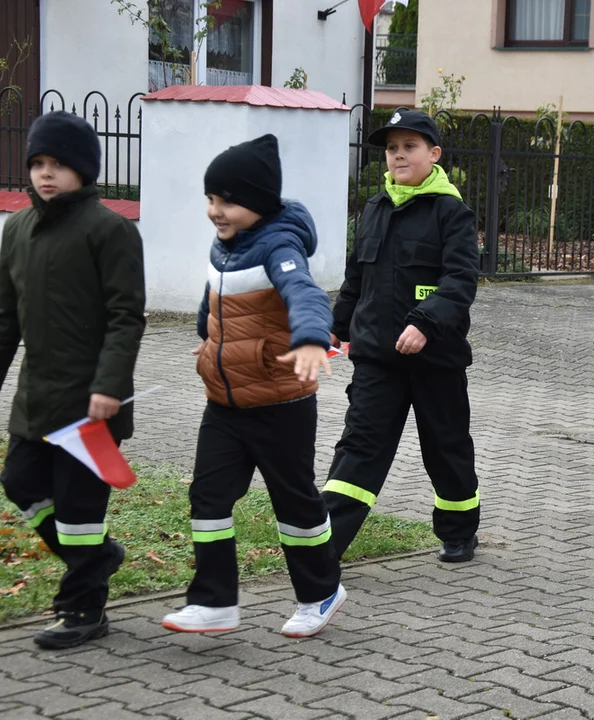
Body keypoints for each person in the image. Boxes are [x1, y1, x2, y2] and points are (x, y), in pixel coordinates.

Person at [162, 134, 345, 638]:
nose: (214, 210)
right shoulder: (225, 246)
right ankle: (215, 601)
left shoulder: (279, 246)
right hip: (224, 403)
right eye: (210, 198)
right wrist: (206, 338)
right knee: (208, 496)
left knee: (294, 504)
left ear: (259, 203)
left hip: (279, 402)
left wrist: (310, 339)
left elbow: (304, 294)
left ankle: (320, 592)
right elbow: (214, 301)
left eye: (227, 201)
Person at [0, 112, 146, 649]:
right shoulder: (15, 230)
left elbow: (126, 315)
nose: (45, 173)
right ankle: (99, 556)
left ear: (83, 169)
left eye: (58, 164)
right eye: (37, 163)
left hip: (92, 405)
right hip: (37, 399)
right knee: (19, 481)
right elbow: (4, 319)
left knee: (80, 510)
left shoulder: (110, 230)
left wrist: (109, 385)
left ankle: (84, 608)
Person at [321, 110, 482, 563]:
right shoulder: (375, 208)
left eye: (409, 146)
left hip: (437, 359)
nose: (398, 155)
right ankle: (325, 545)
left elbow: (460, 281)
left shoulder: (452, 212)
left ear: (433, 154)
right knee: (359, 448)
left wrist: (424, 323)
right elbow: (357, 278)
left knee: (445, 448)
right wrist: (335, 327)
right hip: (377, 357)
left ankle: (459, 530)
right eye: (392, 148)